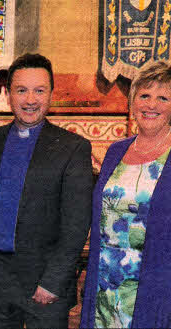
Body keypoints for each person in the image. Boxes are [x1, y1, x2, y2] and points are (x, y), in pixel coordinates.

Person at [0, 53, 93, 328]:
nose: (30, 100)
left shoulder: (73, 148)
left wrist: (53, 281)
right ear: (8, 94)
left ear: (51, 93)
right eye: (21, 90)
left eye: (39, 90)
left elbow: (76, 225)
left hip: (45, 284)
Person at [80, 61, 171, 328]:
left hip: (155, 284)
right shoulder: (116, 151)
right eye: (144, 95)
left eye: (163, 97)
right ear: (133, 102)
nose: (151, 105)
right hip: (105, 282)